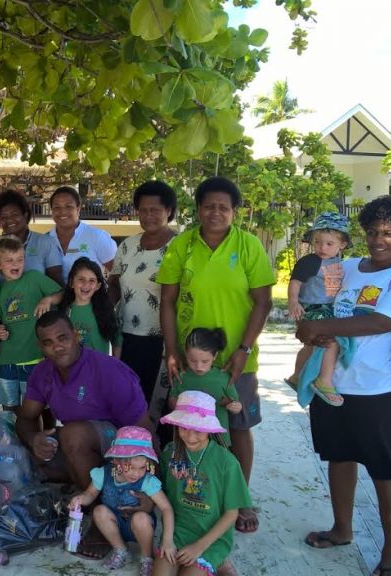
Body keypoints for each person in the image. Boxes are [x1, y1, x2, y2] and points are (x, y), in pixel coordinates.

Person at [295, 196, 391, 576]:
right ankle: (341, 529)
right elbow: (320, 301)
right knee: (339, 457)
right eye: (372, 232)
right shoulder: (346, 267)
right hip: (332, 385)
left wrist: (321, 328)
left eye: (389, 233)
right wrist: (311, 326)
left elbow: (381, 322)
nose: (379, 240)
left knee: (387, 471)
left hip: (377, 390)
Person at [158, 176, 275, 533]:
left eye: (224, 207)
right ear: (198, 209)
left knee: (236, 427)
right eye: (209, 205)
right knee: (184, 425)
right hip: (189, 360)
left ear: (235, 211)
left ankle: (240, 501)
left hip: (234, 361)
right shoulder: (182, 245)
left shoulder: (249, 245)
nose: (216, 212)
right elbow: (168, 300)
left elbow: (263, 301)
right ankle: (187, 496)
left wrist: (243, 349)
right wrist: (173, 351)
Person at [18, 311, 155, 559]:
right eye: (48, 343)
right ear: (41, 346)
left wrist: (152, 488)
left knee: (73, 435)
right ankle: (87, 487)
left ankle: (103, 515)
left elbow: (145, 431)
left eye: (63, 338)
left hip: (123, 449)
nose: (57, 347)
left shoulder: (109, 371)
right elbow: (26, 418)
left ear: (76, 335)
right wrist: (34, 440)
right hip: (86, 448)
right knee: (26, 455)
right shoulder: (42, 373)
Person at [154, 391, 252, 576]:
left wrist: (199, 547)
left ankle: (219, 560)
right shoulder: (169, 455)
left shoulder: (227, 462)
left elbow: (232, 513)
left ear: (209, 428)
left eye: (198, 430)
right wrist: (167, 538)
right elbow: (164, 499)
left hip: (212, 537)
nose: (190, 437)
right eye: (184, 428)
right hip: (177, 532)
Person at [108, 181, 178, 414]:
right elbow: (114, 285)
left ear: (169, 210)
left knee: (161, 404)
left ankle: (161, 449)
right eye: (143, 210)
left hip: (165, 340)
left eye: (155, 210)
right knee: (130, 399)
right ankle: (132, 448)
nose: (148, 216)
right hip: (127, 339)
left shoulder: (181, 247)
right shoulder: (127, 245)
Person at [70, 426, 176, 575]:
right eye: (130, 467)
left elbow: (166, 508)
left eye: (141, 468)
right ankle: (120, 549)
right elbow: (90, 494)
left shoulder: (147, 481)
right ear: (116, 461)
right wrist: (80, 499)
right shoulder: (103, 474)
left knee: (140, 518)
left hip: (140, 526)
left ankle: (147, 558)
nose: (136, 473)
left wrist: (167, 539)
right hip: (115, 524)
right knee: (99, 511)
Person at [287, 211, 352, 406]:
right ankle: (324, 380)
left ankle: (297, 376)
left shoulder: (341, 264)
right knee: (330, 341)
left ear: (342, 244)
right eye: (317, 242)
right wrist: (293, 302)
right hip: (312, 307)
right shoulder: (311, 261)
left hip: (328, 308)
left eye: (329, 244)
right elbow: (295, 282)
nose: (322, 247)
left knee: (310, 345)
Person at [0, 235, 63, 412]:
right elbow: (0, 322)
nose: (16, 264)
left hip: (35, 358)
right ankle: (13, 439)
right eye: (9, 260)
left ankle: (40, 438)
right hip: (7, 360)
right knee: (9, 408)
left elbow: (63, 294)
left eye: (20, 259)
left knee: (37, 408)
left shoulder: (34, 278)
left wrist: (48, 299)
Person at [167, 328, 242, 447]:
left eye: (205, 361)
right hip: (188, 439)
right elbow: (171, 402)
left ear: (215, 356)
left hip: (218, 440)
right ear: (186, 355)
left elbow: (237, 405)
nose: (198, 366)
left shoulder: (223, 378)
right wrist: (187, 403)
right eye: (192, 361)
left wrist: (233, 406)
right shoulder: (182, 377)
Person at [0, 189, 63, 285]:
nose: (9, 220)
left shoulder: (45, 243)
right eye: (4, 217)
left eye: (14, 214)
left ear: (25, 214)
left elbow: (57, 285)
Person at [47, 185, 117, 278]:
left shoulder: (97, 236)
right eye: (57, 207)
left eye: (69, 206)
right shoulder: (45, 240)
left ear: (78, 208)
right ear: (51, 210)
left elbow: (117, 272)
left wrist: (105, 290)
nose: (63, 212)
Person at [62, 257, 120, 357]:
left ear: (98, 286)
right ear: (71, 283)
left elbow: (117, 340)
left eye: (91, 280)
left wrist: (114, 365)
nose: (86, 284)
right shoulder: (63, 311)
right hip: (73, 369)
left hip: (99, 368)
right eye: (81, 279)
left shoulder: (105, 310)